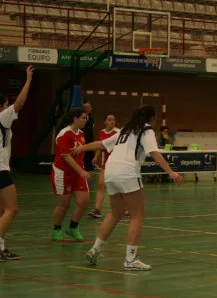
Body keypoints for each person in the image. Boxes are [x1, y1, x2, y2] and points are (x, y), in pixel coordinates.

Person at [71, 106, 184, 271]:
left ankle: (95, 249)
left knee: (116, 212)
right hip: (127, 171)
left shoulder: (125, 130)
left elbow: (102, 144)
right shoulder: (146, 130)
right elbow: (154, 152)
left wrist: (81, 148)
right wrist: (170, 172)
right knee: (137, 215)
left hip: (110, 171)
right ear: (151, 118)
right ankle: (131, 259)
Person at [0, 66, 34, 261]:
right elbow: (19, 103)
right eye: (5, 104)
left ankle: (0, 249)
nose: (7, 106)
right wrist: (28, 80)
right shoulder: (1, 118)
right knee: (12, 209)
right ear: (0, 107)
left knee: (0, 211)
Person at [51, 109, 91, 241]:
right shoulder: (65, 134)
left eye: (86, 118)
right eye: (83, 118)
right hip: (63, 173)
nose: (85, 120)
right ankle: (56, 229)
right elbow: (66, 157)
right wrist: (81, 172)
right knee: (64, 204)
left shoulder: (82, 134)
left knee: (84, 201)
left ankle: (73, 227)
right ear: (75, 118)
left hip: (78, 173)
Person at [88, 114, 120, 219]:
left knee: (119, 187)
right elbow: (100, 146)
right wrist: (96, 157)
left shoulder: (118, 132)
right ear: (105, 122)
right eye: (109, 120)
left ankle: (126, 208)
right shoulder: (101, 132)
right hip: (105, 163)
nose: (112, 121)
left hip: (116, 163)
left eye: (114, 120)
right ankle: (97, 210)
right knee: (101, 185)